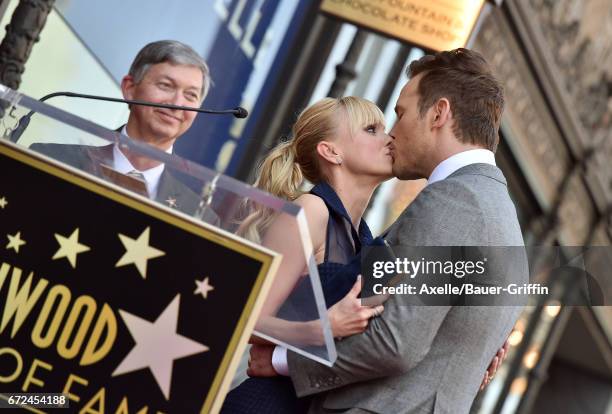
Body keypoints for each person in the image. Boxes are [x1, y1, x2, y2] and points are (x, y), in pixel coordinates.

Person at [247, 48, 526, 414]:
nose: (392, 133)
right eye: (373, 128)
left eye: (399, 114)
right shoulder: (497, 211)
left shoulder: (456, 201)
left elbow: (396, 343)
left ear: (439, 113)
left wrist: (283, 361)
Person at [222, 96, 392, 413]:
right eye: (372, 129)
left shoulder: (364, 236)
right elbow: (244, 318)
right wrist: (316, 330)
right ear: (331, 151)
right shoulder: (311, 211)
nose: (389, 137)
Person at [29, 40, 218, 223]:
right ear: (129, 88)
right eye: (166, 86)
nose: (177, 104)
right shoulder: (50, 158)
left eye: (190, 95)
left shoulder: (200, 217)